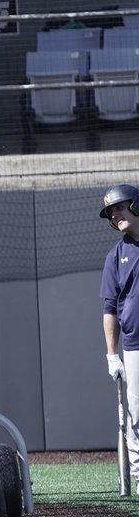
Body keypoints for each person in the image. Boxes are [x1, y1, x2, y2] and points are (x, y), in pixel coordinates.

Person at [99, 183, 139, 484]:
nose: (116, 215)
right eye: (112, 212)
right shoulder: (116, 256)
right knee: (136, 413)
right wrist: (112, 355)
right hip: (134, 346)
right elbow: (110, 308)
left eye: (120, 207)